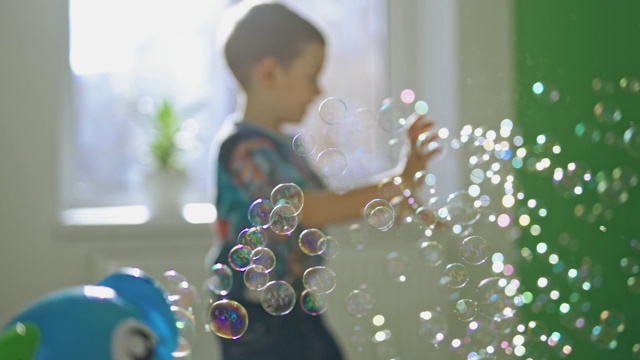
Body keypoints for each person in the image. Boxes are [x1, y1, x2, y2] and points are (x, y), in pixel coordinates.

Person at [206, 1, 437, 359]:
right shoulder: (244, 150)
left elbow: (327, 205)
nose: (318, 90)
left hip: (291, 305)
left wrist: (397, 197)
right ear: (270, 73)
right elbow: (308, 210)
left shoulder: (284, 147)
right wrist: (397, 182)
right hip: (258, 319)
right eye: (311, 75)